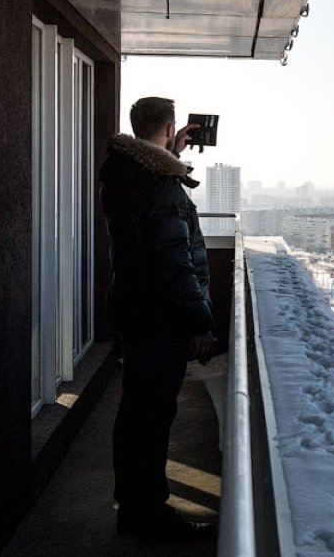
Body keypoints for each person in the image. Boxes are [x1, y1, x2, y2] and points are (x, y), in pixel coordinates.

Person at [101, 96, 217, 544]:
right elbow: (175, 264)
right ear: (170, 128)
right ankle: (148, 514)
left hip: (134, 309)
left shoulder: (122, 172)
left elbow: (145, 224)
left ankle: (132, 508)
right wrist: (201, 321)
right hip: (160, 320)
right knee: (151, 419)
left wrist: (170, 158)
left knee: (134, 415)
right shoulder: (163, 187)